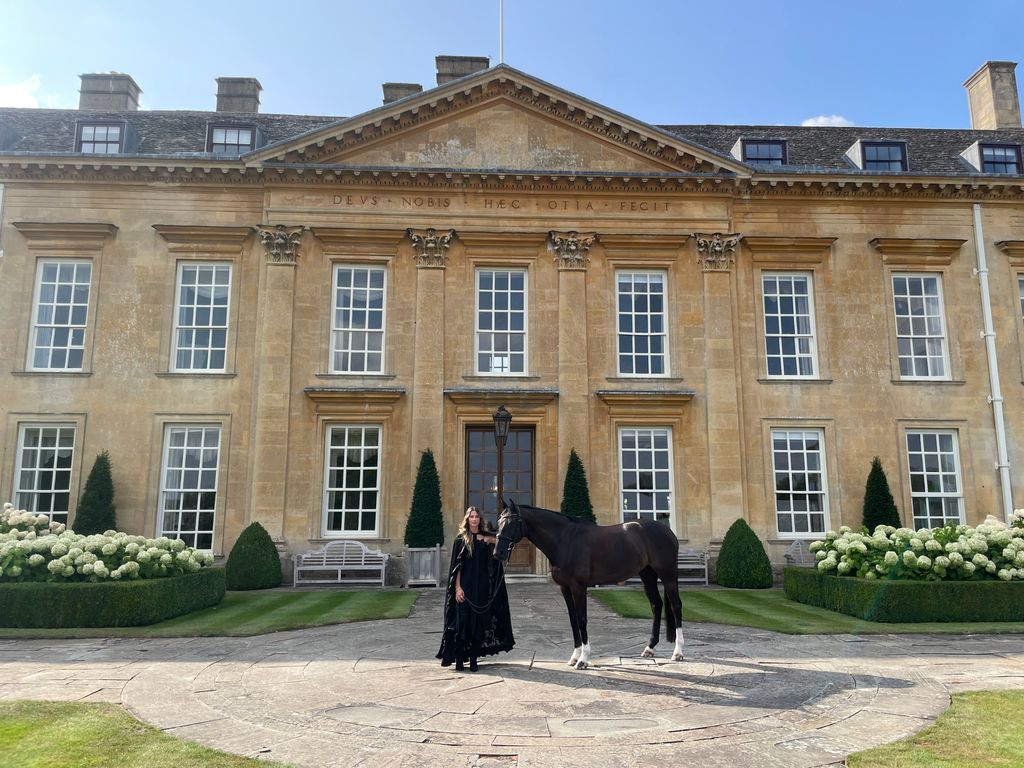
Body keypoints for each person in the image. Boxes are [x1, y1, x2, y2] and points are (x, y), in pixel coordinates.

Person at [436, 506, 515, 671]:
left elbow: (504, 546)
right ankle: (458, 659)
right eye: (471, 516)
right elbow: (456, 568)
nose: (474, 519)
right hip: (465, 588)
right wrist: (457, 588)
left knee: (478, 625)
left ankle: (473, 659)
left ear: (480, 520)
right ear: (467, 519)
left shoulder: (485, 538)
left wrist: (490, 540)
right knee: (461, 625)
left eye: (477, 517)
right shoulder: (461, 539)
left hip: (482, 589)